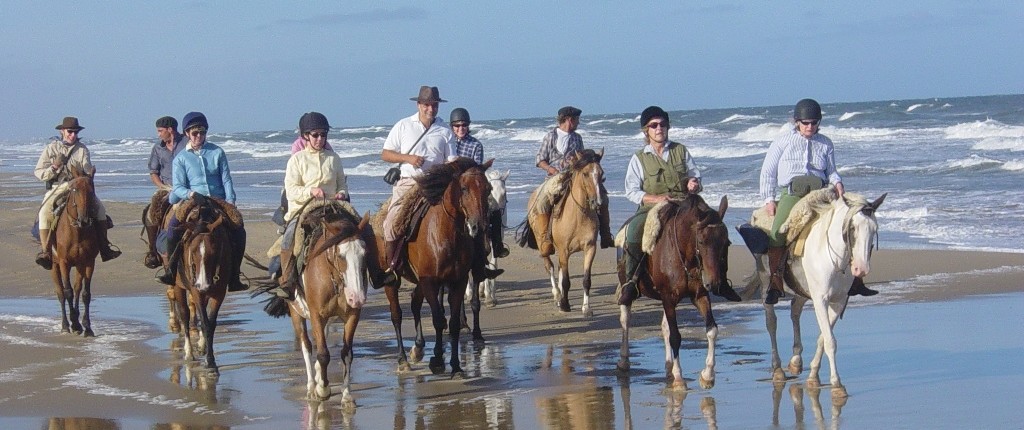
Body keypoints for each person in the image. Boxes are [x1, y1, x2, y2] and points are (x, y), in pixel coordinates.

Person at [616, 106, 742, 304]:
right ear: (646, 130)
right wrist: (656, 199)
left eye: (663, 124)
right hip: (653, 207)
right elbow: (631, 191)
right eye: (654, 125)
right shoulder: (639, 158)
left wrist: (694, 183)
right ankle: (631, 283)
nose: (659, 129)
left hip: (684, 204)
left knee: (716, 229)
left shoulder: (680, 150)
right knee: (633, 231)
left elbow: (696, 176)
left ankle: (721, 281)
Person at [758, 98, 877, 304]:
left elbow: (831, 171)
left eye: (814, 123)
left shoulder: (825, 143)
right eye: (805, 123)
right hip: (793, 194)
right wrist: (769, 199)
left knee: (851, 226)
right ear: (797, 122)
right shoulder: (782, 141)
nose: (810, 127)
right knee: (778, 233)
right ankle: (776, 283)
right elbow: (768, 171)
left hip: (822, 194)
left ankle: (855, 281)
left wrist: (837, 183)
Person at [378, 86, 501, 285]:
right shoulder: (403, 126)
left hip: (436, 185)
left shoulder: (444, 130)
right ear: (419, 105)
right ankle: (392, 268)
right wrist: (407, 158)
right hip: (409, 182)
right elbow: (385, 154)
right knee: (391, 223)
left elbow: (451, 160)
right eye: (427, 105)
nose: (431, 109)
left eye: (434, 105)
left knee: (472, 217)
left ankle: (479, 265)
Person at [157, 112, 248, 292]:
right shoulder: (181, 158)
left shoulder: (217, 152)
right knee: (174, 227)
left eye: (202, 132)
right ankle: (171, 270)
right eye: (195, 133)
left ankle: (235, 275)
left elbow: (226, 179)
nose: (199, 136)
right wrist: (191, 194)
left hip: (218, 200)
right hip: (192, 200)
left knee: (239, 228)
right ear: (187, 133)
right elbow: (179, 187)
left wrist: (230, 201)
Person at [273, 112, 349, 297]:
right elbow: (291, 190)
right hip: (304, 208)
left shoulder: (334, 158)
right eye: (315, 135)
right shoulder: (296, 160)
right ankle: (287, 280)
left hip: (332, 206)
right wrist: (311, 191)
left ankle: (373, 271)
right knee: (291, 236)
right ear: (306, 136)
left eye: (323, 135)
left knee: (361, 232)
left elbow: (342, 184)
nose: (320, 139)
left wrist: (341, 193)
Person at [33, 117, 121, 269]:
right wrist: (54, 167)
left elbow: (86, 165)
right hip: (57, 186)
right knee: (44, 214)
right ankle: (46, 252)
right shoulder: (51, 149)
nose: (73, 135)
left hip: (79, 187)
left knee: (100, 210)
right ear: (62, 131)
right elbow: (39, 173)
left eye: (75, 132)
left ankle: (105, 248)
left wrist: (88, 171)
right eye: (70, 132)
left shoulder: (82, 149)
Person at [533, 106, 614, 256]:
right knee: (541, 202)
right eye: (577, 120)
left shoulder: (577, 138)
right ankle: (545, 240)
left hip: (575, 176)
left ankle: (605, 234)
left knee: (602, 196)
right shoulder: (550, 136)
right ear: (569, 120)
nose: (578, 123)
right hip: (554, 176)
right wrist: (551, 169)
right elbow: (539, 160)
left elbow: (583, 161)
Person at [451, 107, 510, 259]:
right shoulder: (447, 142)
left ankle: (497, 245)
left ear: (468, 126)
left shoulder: (476, 145)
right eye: (457, 126)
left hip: (470, 187)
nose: (461, 128)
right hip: (450, 184)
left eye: (464, 125)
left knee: (494, 207)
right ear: (452, 127)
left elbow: (476, 170)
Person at [143, 116, 186, 268]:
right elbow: (153, 172)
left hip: (188, 188)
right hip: (166, 188)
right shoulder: (157, 148)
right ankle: (153, 251)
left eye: (161, 131)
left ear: (170, 129)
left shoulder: (187, 143)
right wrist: (162, 187)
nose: (159, 134)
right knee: (150, 214)